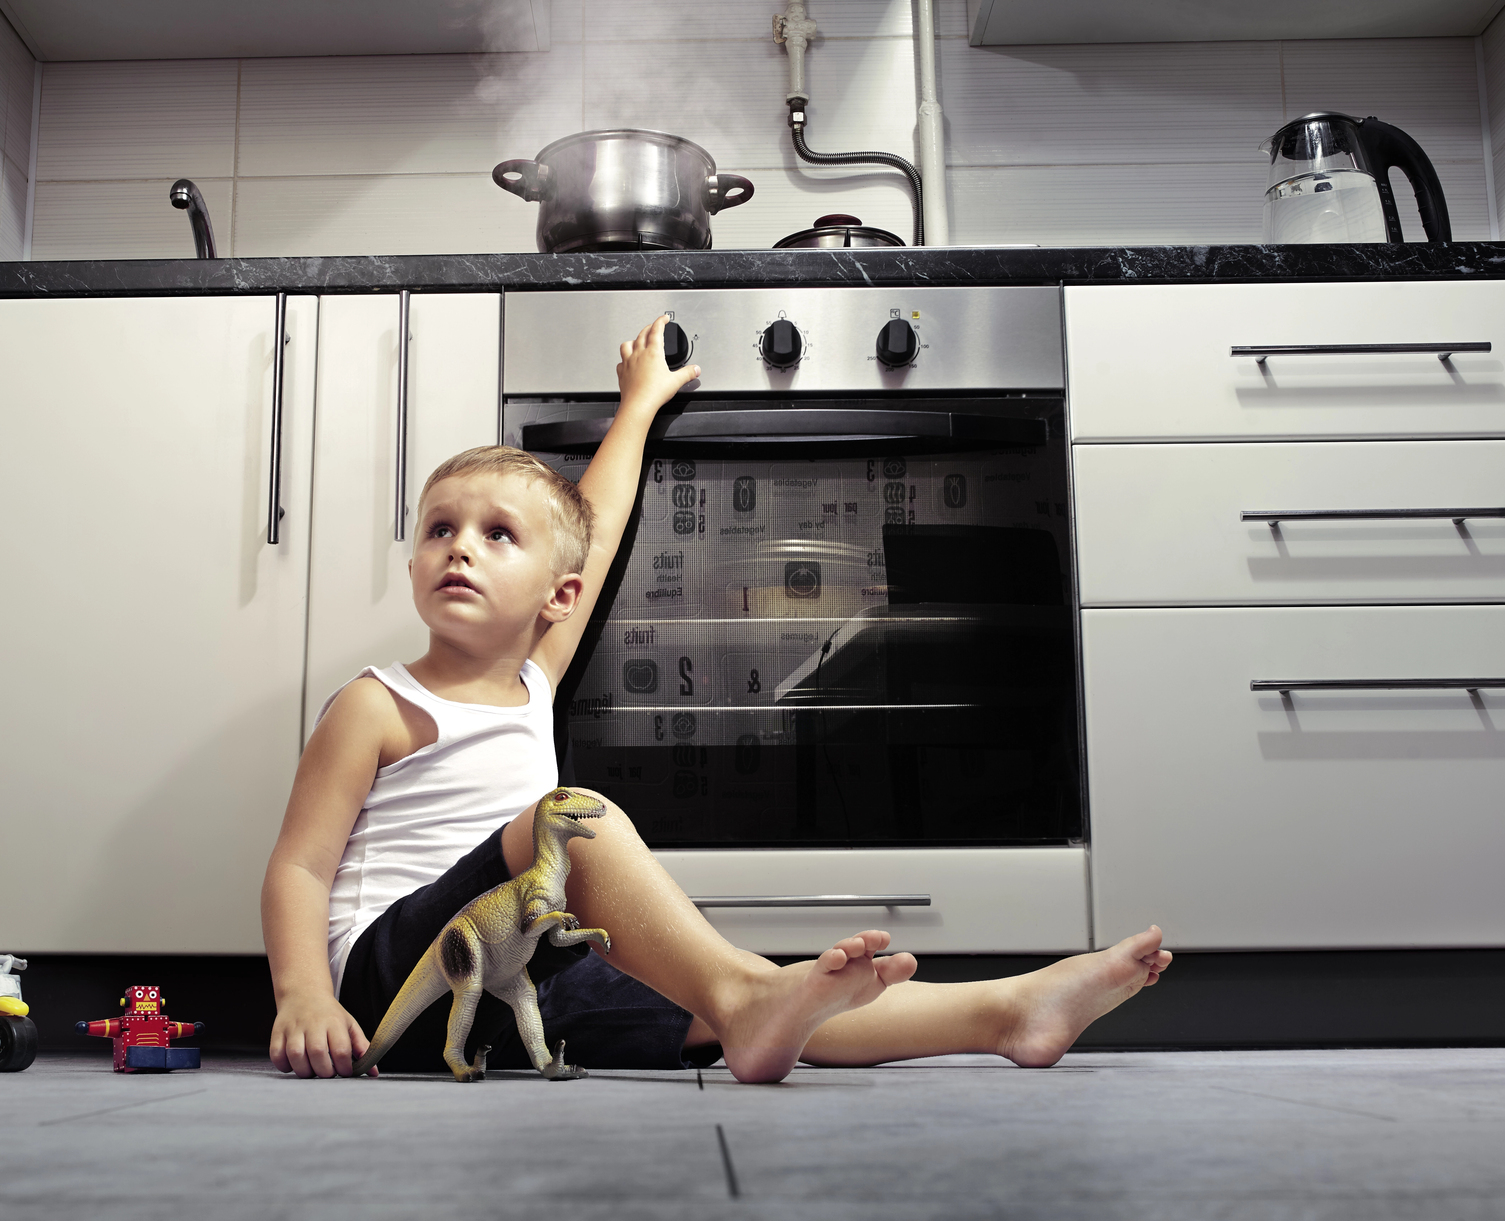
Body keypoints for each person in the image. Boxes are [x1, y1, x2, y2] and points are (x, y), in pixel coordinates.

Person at [262, 315, 1171, 1083]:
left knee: (750, 994)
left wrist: (637, 409)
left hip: (508, 987)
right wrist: (303, 993)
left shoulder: (534, 680)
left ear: (557, 594)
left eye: (497, 534)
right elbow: (300, 868)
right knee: (564, 821)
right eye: (439, 529)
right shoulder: (377, 705)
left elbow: (600, 529)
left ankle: (1004, 1012)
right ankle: (749, 1001)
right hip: (387, 983)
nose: (459, 546)